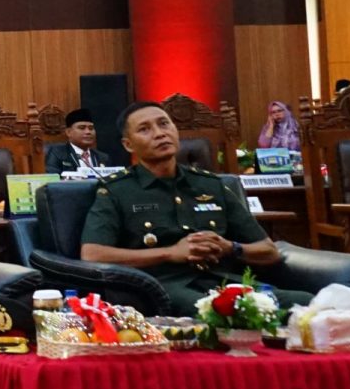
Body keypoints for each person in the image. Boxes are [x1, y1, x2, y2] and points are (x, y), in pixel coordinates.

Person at [78, 101, 304, 316]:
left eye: (164, 124)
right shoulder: (117, 190)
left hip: (224, 282)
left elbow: (269, 251)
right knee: (218, 313)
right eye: (145, 129)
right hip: (161, 287)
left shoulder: (211, 185)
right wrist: (170, 252)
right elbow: (92, 254)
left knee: (307, 304)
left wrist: (229, 248)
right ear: (128, 144)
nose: (159, 133)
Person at [44, 108, 110, 174]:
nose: (88, 132)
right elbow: (53, 177)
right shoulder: (57, 153)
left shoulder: (103, 157)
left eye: (91, 128)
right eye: (82, 128)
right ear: (68, 132)